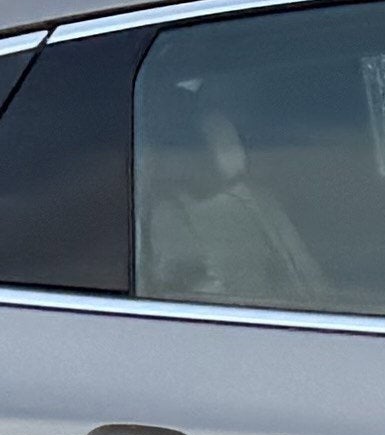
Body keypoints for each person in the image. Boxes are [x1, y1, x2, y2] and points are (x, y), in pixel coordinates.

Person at [141, 88, 329, 305]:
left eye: (232, 141)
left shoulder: (258, 200)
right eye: (219, 143)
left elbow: (307, 275)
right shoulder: (169, 214)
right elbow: (192, 295)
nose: (236, 151)